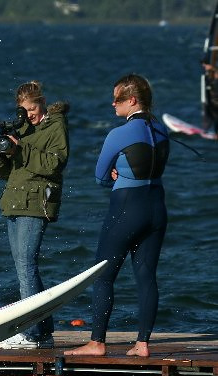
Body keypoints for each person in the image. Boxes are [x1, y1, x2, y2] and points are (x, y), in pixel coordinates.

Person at [65, 74, 169, 358]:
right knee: (146, 276)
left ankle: (97, 342)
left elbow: (100, 176)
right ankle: (143, 343)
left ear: (132, 100)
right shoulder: (162, 129)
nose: (113, 104)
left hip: (127, 207)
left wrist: (115, 175)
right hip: (157, 208)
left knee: (103, 275)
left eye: (118, 99)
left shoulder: (118, 134)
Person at [0, 80, 69, 349]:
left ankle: (31, 335)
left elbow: (55, 163)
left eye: (33, 109)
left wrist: (19, 149)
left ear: (42, 103)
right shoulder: (21, 129)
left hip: (36, 203)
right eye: (24, 110)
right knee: (26, 267)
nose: (29, 115)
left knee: (25, 265)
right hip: (15, 201)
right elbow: (5, 173)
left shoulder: (55, 126)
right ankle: (44, 332)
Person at [201, 61, 218, 136]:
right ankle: (215, 133)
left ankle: (216, 133)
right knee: (214, 117)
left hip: (215, 102)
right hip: (213, 101)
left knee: (215, 116)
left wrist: (212, 68)